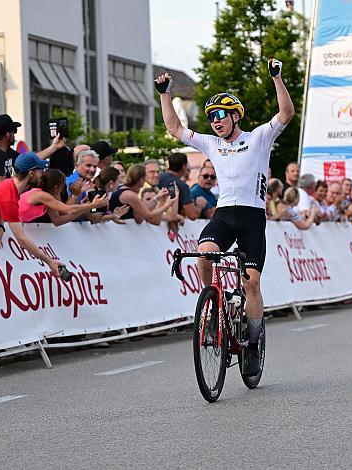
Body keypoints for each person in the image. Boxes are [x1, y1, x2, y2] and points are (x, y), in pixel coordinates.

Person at [156, 56, 294, 376]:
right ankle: (213, 306)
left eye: (221, 115)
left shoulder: (258, 137)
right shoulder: (212, 144)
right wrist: (164, 93)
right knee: (204, 256)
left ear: (236, 116)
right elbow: (174, 127)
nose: (216, 121)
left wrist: (276, 76)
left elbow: (286, 113)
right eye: (211, 117)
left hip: (251, 219)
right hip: (224, 215)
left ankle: (254, 344)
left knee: (252, 285)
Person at [0, 152, 64, 276]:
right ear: (31, 173)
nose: (42, 174)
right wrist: (49, 261)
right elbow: (22, 240)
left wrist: (0, 224)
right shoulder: (9, 195)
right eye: (39, 171)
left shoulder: (10, 186)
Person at [19, 168, 109, 225]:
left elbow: (58, 220)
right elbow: (67, 209)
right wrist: (93, 205)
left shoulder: (48, 198)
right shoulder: (41, 195)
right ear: (55, 187)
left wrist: (85, 208)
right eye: (62, 187)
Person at [109, 164, 179, 225]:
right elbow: (148, 215)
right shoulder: (129, 194)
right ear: (141, 179)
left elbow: (141, 210)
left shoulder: (127, 191)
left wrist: (157, 198)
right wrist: (166, 204)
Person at [158, 152, 203, 220]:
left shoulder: (158, 177)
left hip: (157, 219)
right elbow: (192, 215)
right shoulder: (182, 186)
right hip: (170, 223)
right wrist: (200, 206)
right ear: (184, 166)